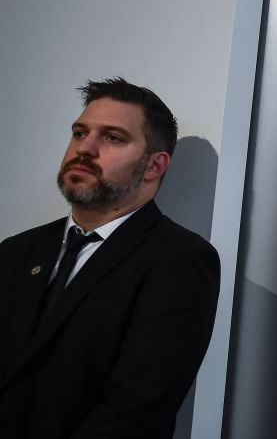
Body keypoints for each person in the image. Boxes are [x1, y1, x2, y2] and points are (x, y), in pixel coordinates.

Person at [0, 78, 220, 437]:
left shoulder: (180, 261)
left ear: (154, 166)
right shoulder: (16, 251)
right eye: (80, 132)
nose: (85, 148)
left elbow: (135, 412)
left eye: (113, 138)